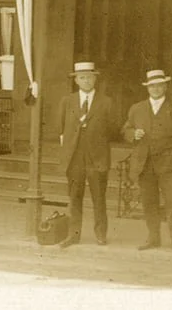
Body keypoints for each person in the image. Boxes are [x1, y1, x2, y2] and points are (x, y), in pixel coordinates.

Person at [122, 67, 172, 250]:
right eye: (152, 86)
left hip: (168, 162)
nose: (156, 89)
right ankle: (153, 238)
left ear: (165, 87)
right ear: (147, 88)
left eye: (159, 86)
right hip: (144, 163)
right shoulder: (137, 108)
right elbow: (125, 129)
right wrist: (133, 133)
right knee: (149, 201)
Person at [55, 60, 117, 246]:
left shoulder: (106, 101)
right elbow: (60, 127)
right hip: (74, 158)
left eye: (89, 77)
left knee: (99, 198)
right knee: (74, 197)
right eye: (82, 77)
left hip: (96, 157)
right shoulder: (67, 101)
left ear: (95, 79)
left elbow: (113, 128)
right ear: (76, 81)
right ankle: (74, 235)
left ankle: (101, 234)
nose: (86, 81)